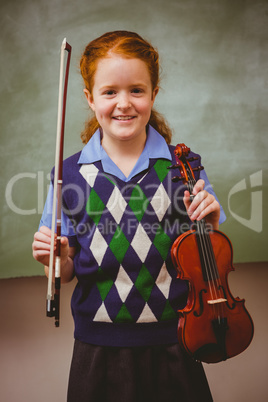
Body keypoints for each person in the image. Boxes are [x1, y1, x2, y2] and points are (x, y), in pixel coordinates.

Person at [32, 31, 225, 402]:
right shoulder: (67, 175)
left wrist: (211, 226)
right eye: (110, 92)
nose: (124, 103)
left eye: (137, 90)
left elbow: (208, 263)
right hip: (98, 348)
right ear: (90, 98)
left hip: (177, 342)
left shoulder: (184, 167)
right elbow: (65, 272)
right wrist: (54, 261)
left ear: (154, 94)